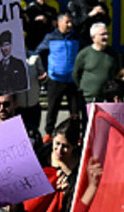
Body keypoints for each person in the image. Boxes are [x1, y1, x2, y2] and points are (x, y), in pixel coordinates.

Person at [37, 13, 81, 142]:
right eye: (67, 22)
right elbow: (39, 52)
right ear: (59, 23)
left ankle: (75, 135)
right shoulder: (51, 37)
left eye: (71, 22)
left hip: (72, 80)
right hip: (55, 80)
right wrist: (44, 69)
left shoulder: (76, 37)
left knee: (74, 111)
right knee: (52, 109)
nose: (70, 25)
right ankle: (49, 134)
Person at [72, 22, 118, 103]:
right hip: (88, 99)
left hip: (107, 99)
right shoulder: (84, 53)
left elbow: (117, 72)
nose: (106, 37)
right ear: (93, 37)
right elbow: (76, 74)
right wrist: (84, 89)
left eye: (107, 34)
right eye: (102, 34)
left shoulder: (113, 54)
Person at [0, 30, 29, 95]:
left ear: (11, 45)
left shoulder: (19, 63)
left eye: (7, 45)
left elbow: (24, 83)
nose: (5, 48)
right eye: (2, 46)